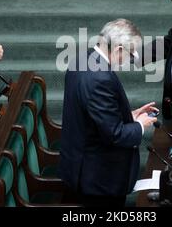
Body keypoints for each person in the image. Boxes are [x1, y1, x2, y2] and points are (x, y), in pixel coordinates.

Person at [60, 19, 158, 207]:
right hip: (98, 178)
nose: (131, 59)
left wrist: (130, 114)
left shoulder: (82, 59)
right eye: (131, 54)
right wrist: (140, 125)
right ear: (119, 49)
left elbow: (93, 114)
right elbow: (114, 134)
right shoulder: (100, 78)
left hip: (83, 164)